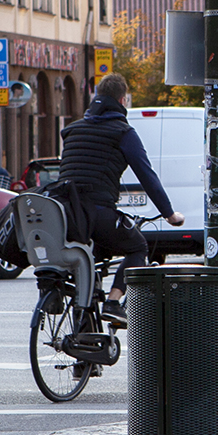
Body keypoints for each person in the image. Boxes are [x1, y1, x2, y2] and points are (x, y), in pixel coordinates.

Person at [57, 74, 184, 329]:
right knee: (137, 247)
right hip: (97, 213)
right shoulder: (123, 132)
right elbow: (147, 176)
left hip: (64, 214)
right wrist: (169, 214)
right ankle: (113, 303)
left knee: (91, 258)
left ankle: (83, 330)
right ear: (122, 100)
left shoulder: (72, 130)